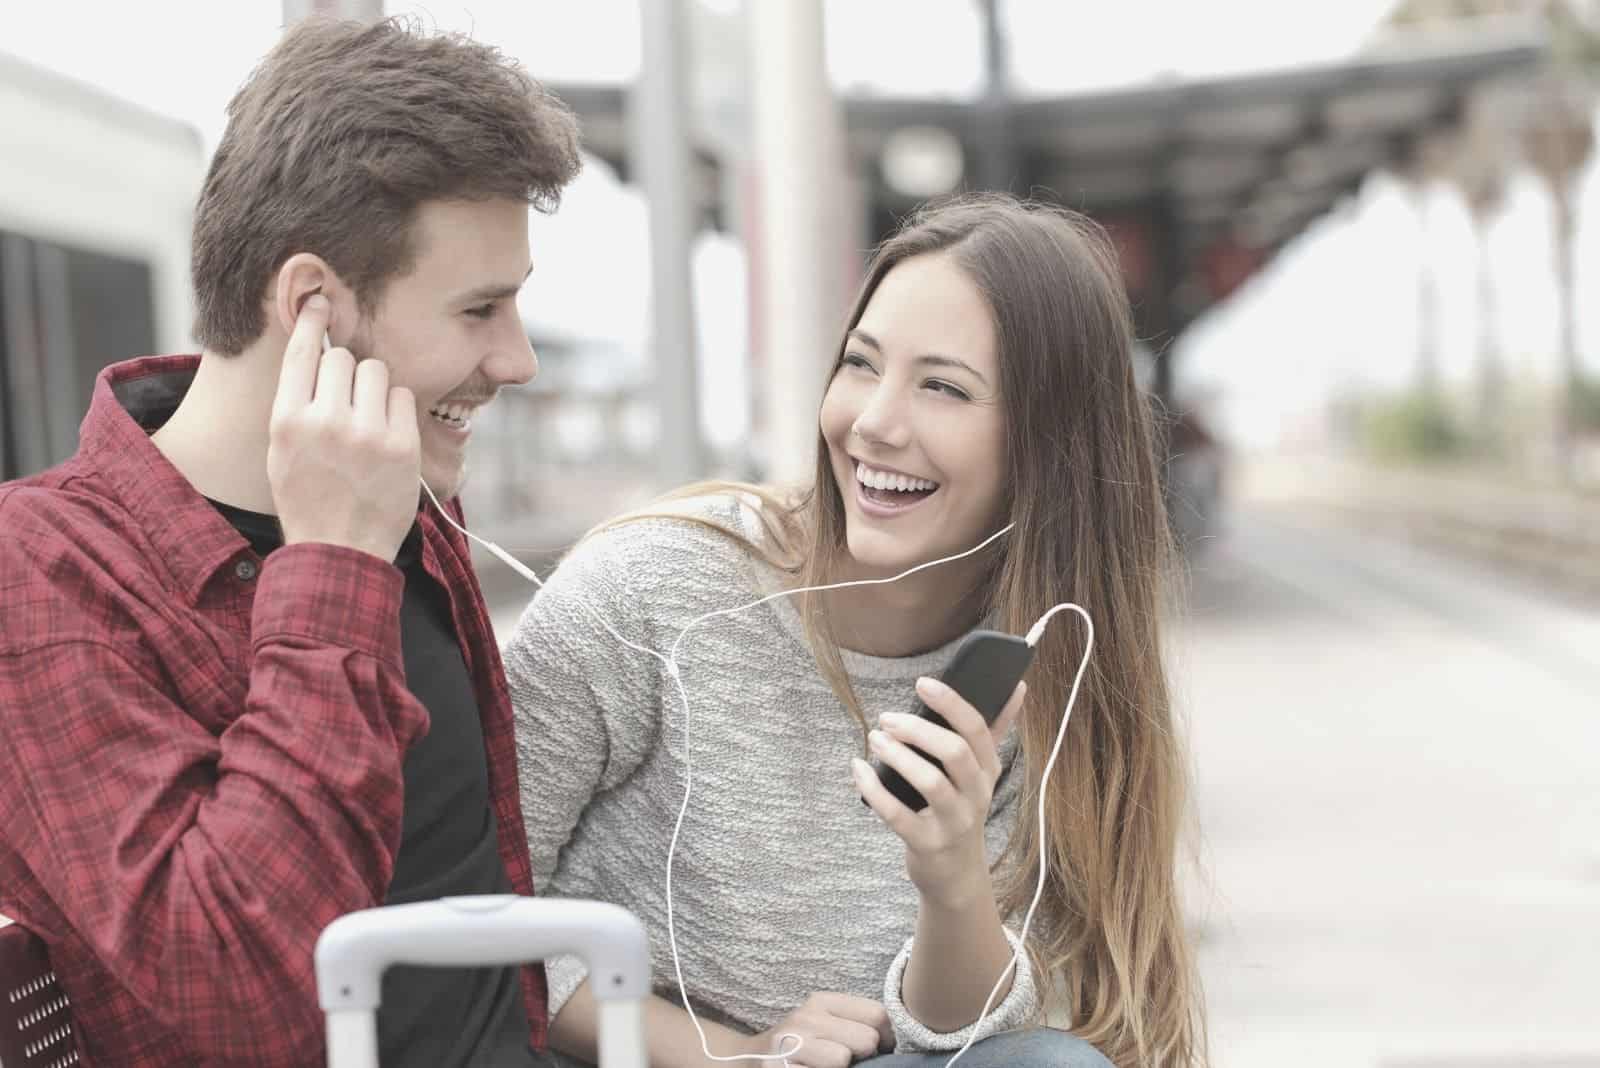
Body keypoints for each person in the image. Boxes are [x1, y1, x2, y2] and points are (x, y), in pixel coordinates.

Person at [504, 194, 1208, 1068]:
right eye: (860, 365)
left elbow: (978, 1042)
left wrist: (948, 874)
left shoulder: (1056, 676)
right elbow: (471, 907)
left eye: (943, 387)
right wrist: (729, 1054)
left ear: (1048, 445)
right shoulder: (649, 593)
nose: (874, 421)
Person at [0, 16, 580, 1067]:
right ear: (315, 306)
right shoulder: (40, 573)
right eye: (481, 308)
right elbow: (231, 995)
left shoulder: (411, 500)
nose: (518, 359)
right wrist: (336, 572)